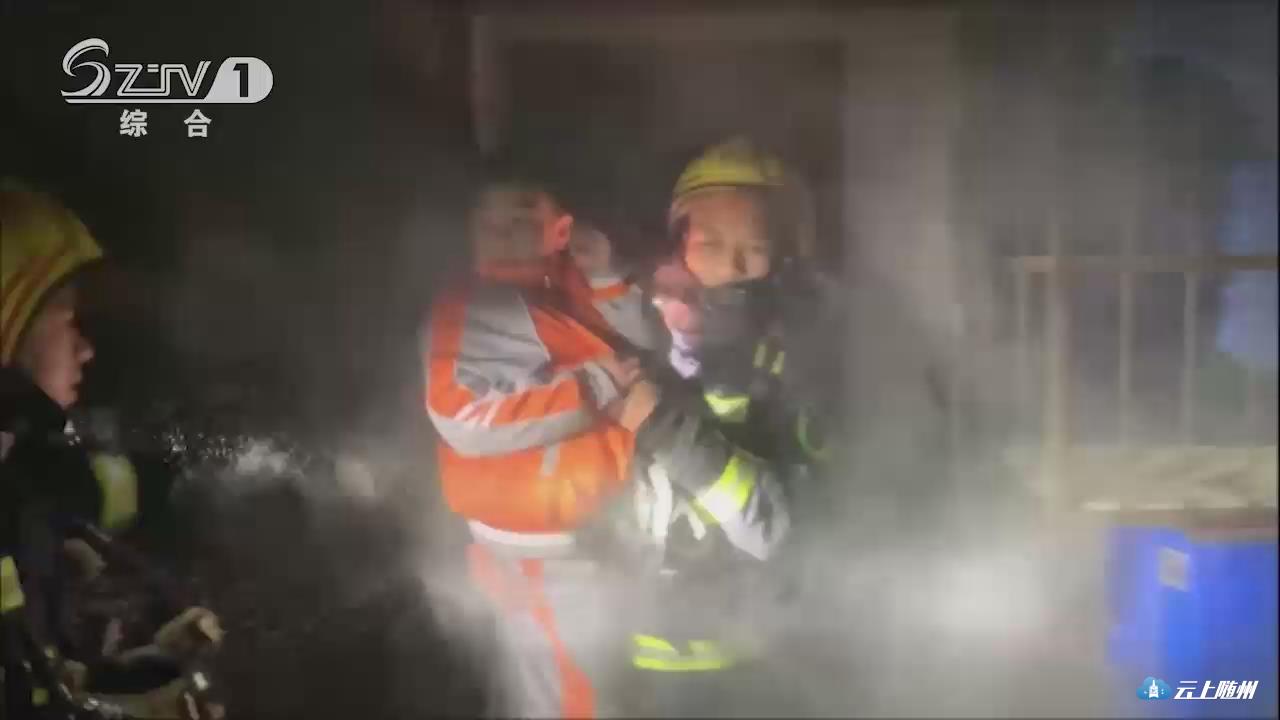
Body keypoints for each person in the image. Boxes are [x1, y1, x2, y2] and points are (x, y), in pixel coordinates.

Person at [422, 158, 790, 719]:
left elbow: (640, 347)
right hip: (538, 553)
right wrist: (596, 387)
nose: (505, 234)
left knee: (591, 694)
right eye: (491, 223)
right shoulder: (471, 309)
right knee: (570, 702)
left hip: (597, 546)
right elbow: (464, 416)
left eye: (523, 218)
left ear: (560, 229)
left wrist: (607, 280)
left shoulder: (565, 288)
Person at [621, 137, 844, 716]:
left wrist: (664, 428)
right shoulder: (635, 342)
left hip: (751, 661)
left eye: (755, 248)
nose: (733, 266)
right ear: (676, 248)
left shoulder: (798, 366)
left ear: (786, 257)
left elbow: (778, 529)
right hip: (640, 650)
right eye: (711, 244)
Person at [1, 181, 223, 720]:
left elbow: (30, 685)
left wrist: (142, 670)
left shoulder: (13, 486)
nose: (86, 349)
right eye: (67, 320)